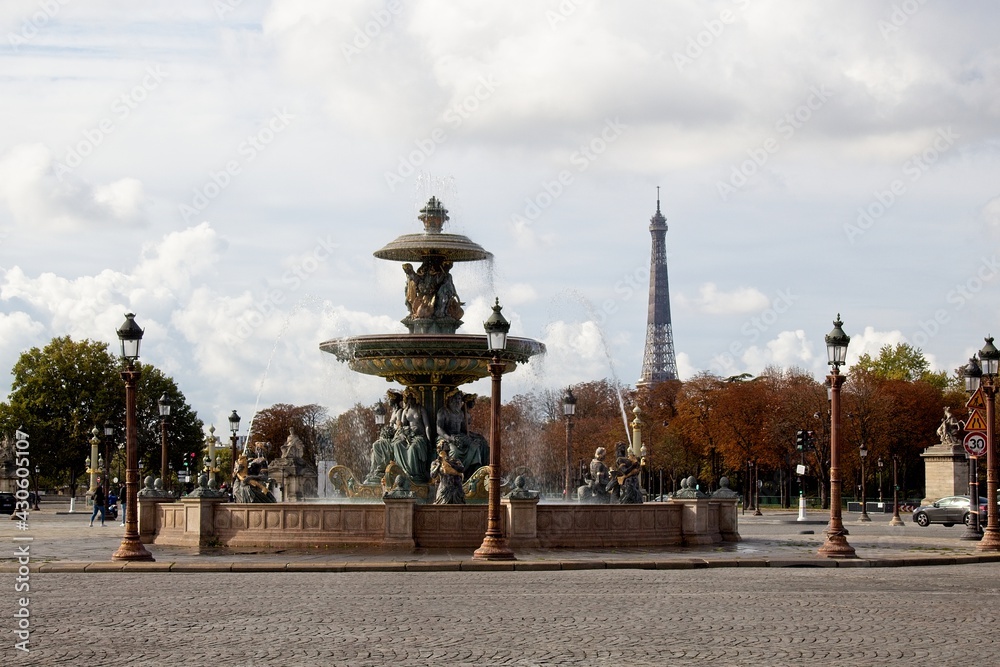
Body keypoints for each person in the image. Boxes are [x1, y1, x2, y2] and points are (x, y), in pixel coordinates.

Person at [429, 439, 465, 504]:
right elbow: (433, 475)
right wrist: (439, 464)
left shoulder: (455, 460)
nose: (446, 446)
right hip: (444, 489)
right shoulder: (435, 462)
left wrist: (449, 462)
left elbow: (462, 469)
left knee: (458, 507)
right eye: (444, 445)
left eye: (446, 444)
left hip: (455, 489)